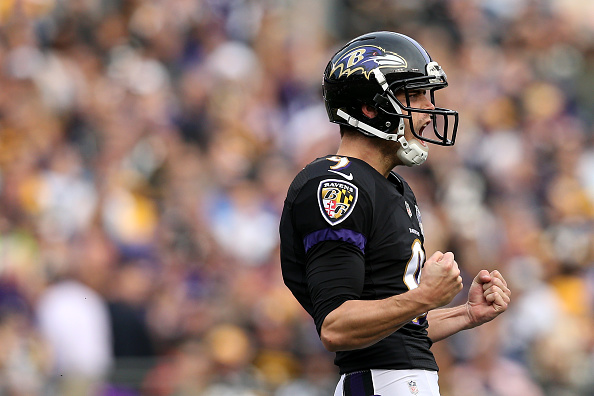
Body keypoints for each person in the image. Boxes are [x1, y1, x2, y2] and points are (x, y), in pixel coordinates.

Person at [279, 31, 511, 396]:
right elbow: (336, 326)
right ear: (370, 107)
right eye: (415, 94)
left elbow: (398, 330)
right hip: (380, 383)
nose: (429, 108)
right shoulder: (337, 184)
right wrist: (424, 297)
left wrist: (464, 314)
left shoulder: (394, 188)